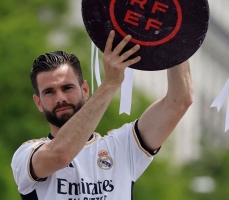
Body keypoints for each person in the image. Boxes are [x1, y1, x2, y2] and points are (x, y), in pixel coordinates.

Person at [11, 30, 193, 200]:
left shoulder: (122, 147)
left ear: (85, 89)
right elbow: (61, 155)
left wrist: (173, 33)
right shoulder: (26, 154)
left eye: (67, 88)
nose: (60, 98)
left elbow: (179, 101)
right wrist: (110, 84)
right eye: (49, 92)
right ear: (38, 102)